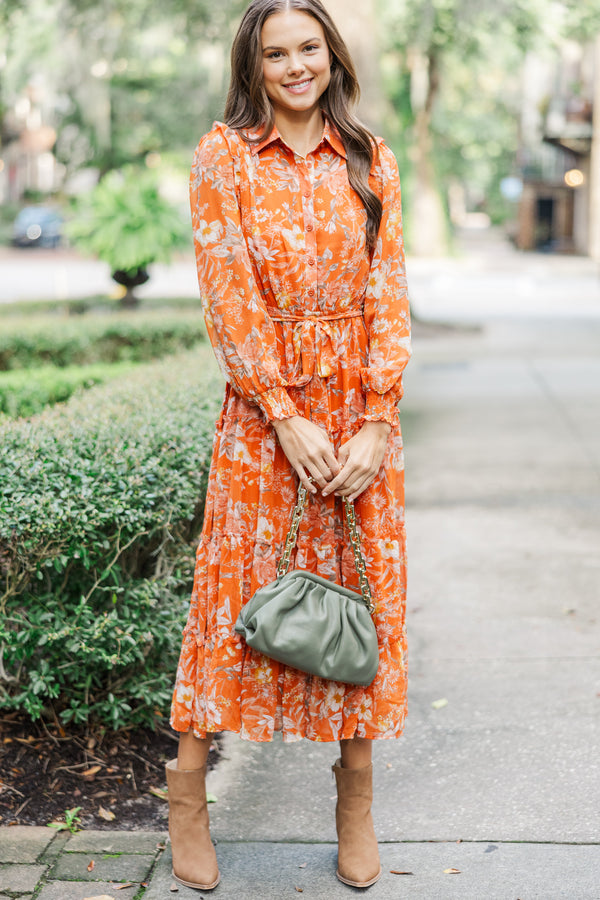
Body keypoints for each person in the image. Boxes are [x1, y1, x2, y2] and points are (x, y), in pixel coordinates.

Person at [167, 0, 411, 890]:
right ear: (255, 66)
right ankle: (186, 794)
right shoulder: (223, 156)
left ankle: (355, 801)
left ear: (331, 56)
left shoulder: (368, 155)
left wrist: (378, 418)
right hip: (262, 422)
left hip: (357, 415)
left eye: (309, 47)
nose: (296, 65)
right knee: (234, 598)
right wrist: (283, 411)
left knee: (358, 601)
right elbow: (225, 294)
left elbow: (390, 289)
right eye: (278, 53)